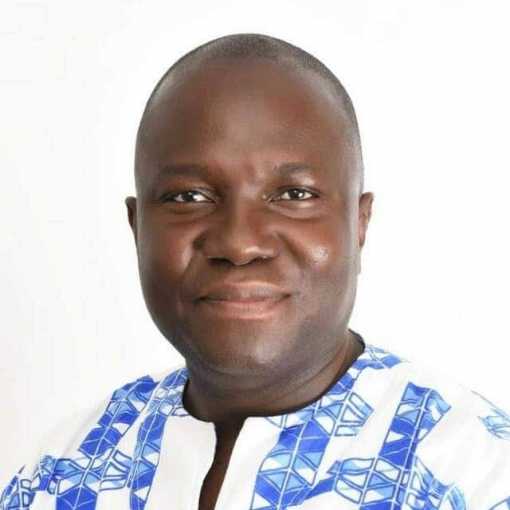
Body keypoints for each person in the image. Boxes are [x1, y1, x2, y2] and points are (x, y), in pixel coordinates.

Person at [1, 32, 509, 510]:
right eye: (189, 197)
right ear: (138, 228)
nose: (240, 244)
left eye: (294, 194)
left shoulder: (477, 474)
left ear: (360, 222)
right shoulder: (62, 474)